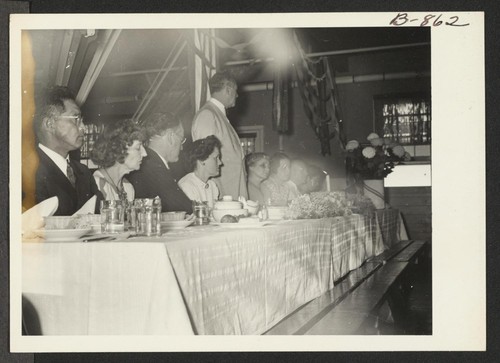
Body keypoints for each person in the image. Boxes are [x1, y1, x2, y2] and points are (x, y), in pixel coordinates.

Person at [33, 86, 103, 216]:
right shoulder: (27, 173)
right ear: (50, 124)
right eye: (76, 119)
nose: (83, 127)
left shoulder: (83, 172)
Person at [191, 71, 247, 200]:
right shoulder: (208, 115)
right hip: (222, 194)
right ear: (228, 90)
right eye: (235, 91)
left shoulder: (218, 115)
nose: (237, 95)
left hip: (232, 193)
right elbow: (204, 159)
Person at [128, 112, 193, 213]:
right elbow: (185, 208)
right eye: (181, 140)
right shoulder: (154, 168)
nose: (182, 147)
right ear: (171, 136)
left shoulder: (149, 163)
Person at [90, 119, 147, 202]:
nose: (144, 153)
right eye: (138, 148)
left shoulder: (128, 187)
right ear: (119, 150)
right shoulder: (95, 185)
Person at [178, 135, 222, 208]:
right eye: (216, 158)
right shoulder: (187, 186)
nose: (220, 162)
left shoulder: (212, 185)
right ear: (202, 160)